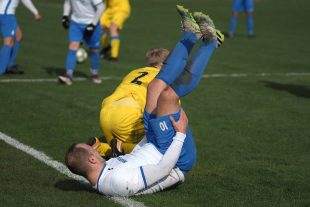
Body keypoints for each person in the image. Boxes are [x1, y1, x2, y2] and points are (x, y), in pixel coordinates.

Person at [65, 5, 224, 196]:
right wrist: (180, 134)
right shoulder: (118, 182)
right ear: (92, 160)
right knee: (168, 96)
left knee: (154, 88)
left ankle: (191, 35)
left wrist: (151, 125)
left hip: (152, 142)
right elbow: (163, 170)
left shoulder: (106, 169)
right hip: (174, 159)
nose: (94, 150)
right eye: (91, 151)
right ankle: (211, 42)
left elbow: (132, 155)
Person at [89, 48, 170, 158]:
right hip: (128, 116)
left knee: (116, 156)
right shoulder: (162, 78)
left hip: (106, 111)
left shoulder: (135, 72)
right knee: (154, 151)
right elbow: (169, 109)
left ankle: (99, 146)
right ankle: (114, 148)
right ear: (165, 64)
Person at [58, 0, 105, 85]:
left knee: (94, 50)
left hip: (91, 23)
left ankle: (95, 74)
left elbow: (101, 7)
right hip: (75, 23)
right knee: (73, 46)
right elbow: (67, 3)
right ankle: (68, 75)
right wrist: (65, 16)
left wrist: (93, 24)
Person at [0, 0, 41, 75]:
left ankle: (10, 65)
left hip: (8, 14)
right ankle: (1, 68)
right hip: (6, 15)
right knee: (8, 42)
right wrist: (36, 12)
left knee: (18, 36)